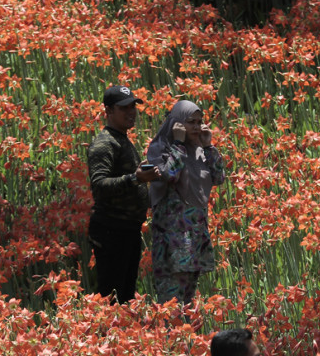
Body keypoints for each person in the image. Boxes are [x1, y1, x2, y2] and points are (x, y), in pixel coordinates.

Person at [147, 100, 226, 305]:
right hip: (171, 241)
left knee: (189, 304)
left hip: (195, 236)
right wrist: (179, 144)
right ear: (176, 123)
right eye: (191, 122)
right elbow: (170, 174)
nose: (197, 127)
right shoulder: (160, 148)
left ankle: (187, 337)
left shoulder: (199, 151)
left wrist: (208, 146)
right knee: (171, 305)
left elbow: (219, 178)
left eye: (200, 122)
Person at [87, 85, 161, 304]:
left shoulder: (120, 138)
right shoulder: (104, 143)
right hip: (112, 231)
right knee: (112, 298)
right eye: (123, 108)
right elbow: (99, 185)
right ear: (108, 111)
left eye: (133, 107)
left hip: (126, 230)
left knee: (126, 296)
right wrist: (136, 179)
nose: (131, 112)